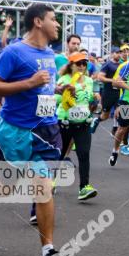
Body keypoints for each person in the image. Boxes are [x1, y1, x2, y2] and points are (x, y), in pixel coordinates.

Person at [0, 3, 72, 256]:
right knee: (8, 185)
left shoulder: (51, 54)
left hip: (47, 129)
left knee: (43, 187)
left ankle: (48, 252)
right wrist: (28, 83)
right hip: (16, 130)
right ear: (39, 22)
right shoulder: (14, 52)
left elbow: (44, 86)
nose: (58, 25)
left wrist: (59, 87)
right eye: (54, 19)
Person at [55, 51, 99, 200]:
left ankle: (84, 187)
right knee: (59, 154)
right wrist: (65, 94)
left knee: (84, 153)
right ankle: (51, 181)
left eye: (84, 63)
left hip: (83, 122)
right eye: (78, 63)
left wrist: (95, 99)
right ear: (71, 65)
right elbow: (56, 98)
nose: (82, 66)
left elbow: (88, 99)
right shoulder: (64, 79)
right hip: (65, 122)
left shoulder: (88, 80)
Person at [92, 46, 122, 136]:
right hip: (108, 92)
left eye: (120, 53)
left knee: (119, 111)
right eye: (117, 53)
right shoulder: (107, 64)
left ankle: (115, 128)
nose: (119, 55)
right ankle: (97, 120)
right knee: (105, 115)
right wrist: (112, 80)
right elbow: (100, 77)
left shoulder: (122, 64)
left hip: (119, 92)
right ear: (112, 54)